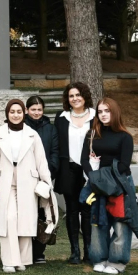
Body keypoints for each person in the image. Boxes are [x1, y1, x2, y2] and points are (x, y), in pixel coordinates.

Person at [82, 98, 138, 274]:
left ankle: (117, 262)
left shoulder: (125, 137)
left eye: (107, 111)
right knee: (98, 222)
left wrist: (104, 179)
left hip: (119, 184)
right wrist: (94, 178)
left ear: (115, 112)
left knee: (120, 223)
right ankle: (99, 258)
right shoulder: (91, 134)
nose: (103, 114)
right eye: (100, 111)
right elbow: (84, 160)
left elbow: (124, 165)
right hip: (97, 184)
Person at [0, 100, 53, 273]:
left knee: (25, 220)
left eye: (18, 111)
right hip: (5, 181)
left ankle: (23, 259)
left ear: (23, 113)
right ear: (7, 113)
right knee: (9, 218)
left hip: (28, 181)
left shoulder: (32, 135)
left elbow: (41, 161)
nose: (15, 115)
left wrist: (47, 183)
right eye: (12, 112)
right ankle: (9, 261)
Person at [54, 82, 95, 264]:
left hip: (90, 170)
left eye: (78, 95)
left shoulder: (95, 116)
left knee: (87, 211)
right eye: (71, 96)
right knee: (72, 211)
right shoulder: (61, 117)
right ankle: (75, 252)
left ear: (84, 96)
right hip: (69, 169)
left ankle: (89, 251)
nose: (75, 98)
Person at [24, 95, 59, 264]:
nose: (36, 112)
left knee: (43, 214)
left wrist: (47, 173)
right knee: (26, 214)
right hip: (25, 178)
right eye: (33, 109)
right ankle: (25, 250)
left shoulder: (50, 129)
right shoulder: (21, 127)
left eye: (39, 109)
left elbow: (54, 153)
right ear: (26, 110)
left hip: (44, 178)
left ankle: (39, 251)